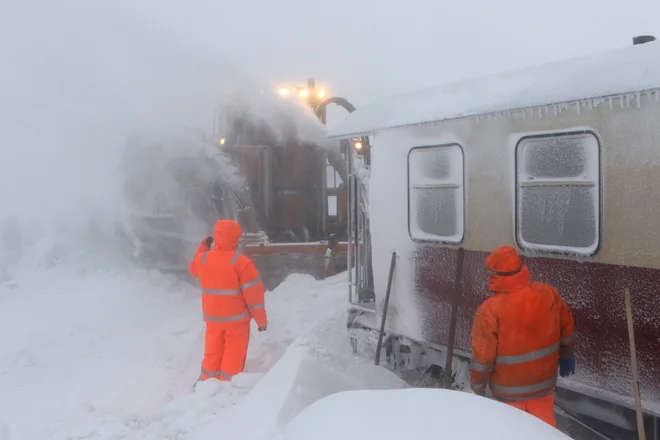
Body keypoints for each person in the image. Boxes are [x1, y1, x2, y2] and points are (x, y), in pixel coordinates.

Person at [469, 245, 575, 427]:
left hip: (508, 397)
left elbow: (482, 357)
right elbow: (566, 324)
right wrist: (567, 354)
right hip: (543, 388)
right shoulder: (547, 293)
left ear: (494, 275)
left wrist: (477, 389)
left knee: (513, 432)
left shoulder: (488, 311)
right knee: (543, 433)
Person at [188, 219, 267, 383]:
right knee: (233, 353)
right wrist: (261, 320)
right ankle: (227, 385)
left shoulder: (204, 259)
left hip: (213, 319)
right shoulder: (242, 264)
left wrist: (203, 246)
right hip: (236, 322)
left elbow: (193, 267)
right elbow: (254, 297)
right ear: (236, 238)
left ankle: (206, 382)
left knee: (212, 351)